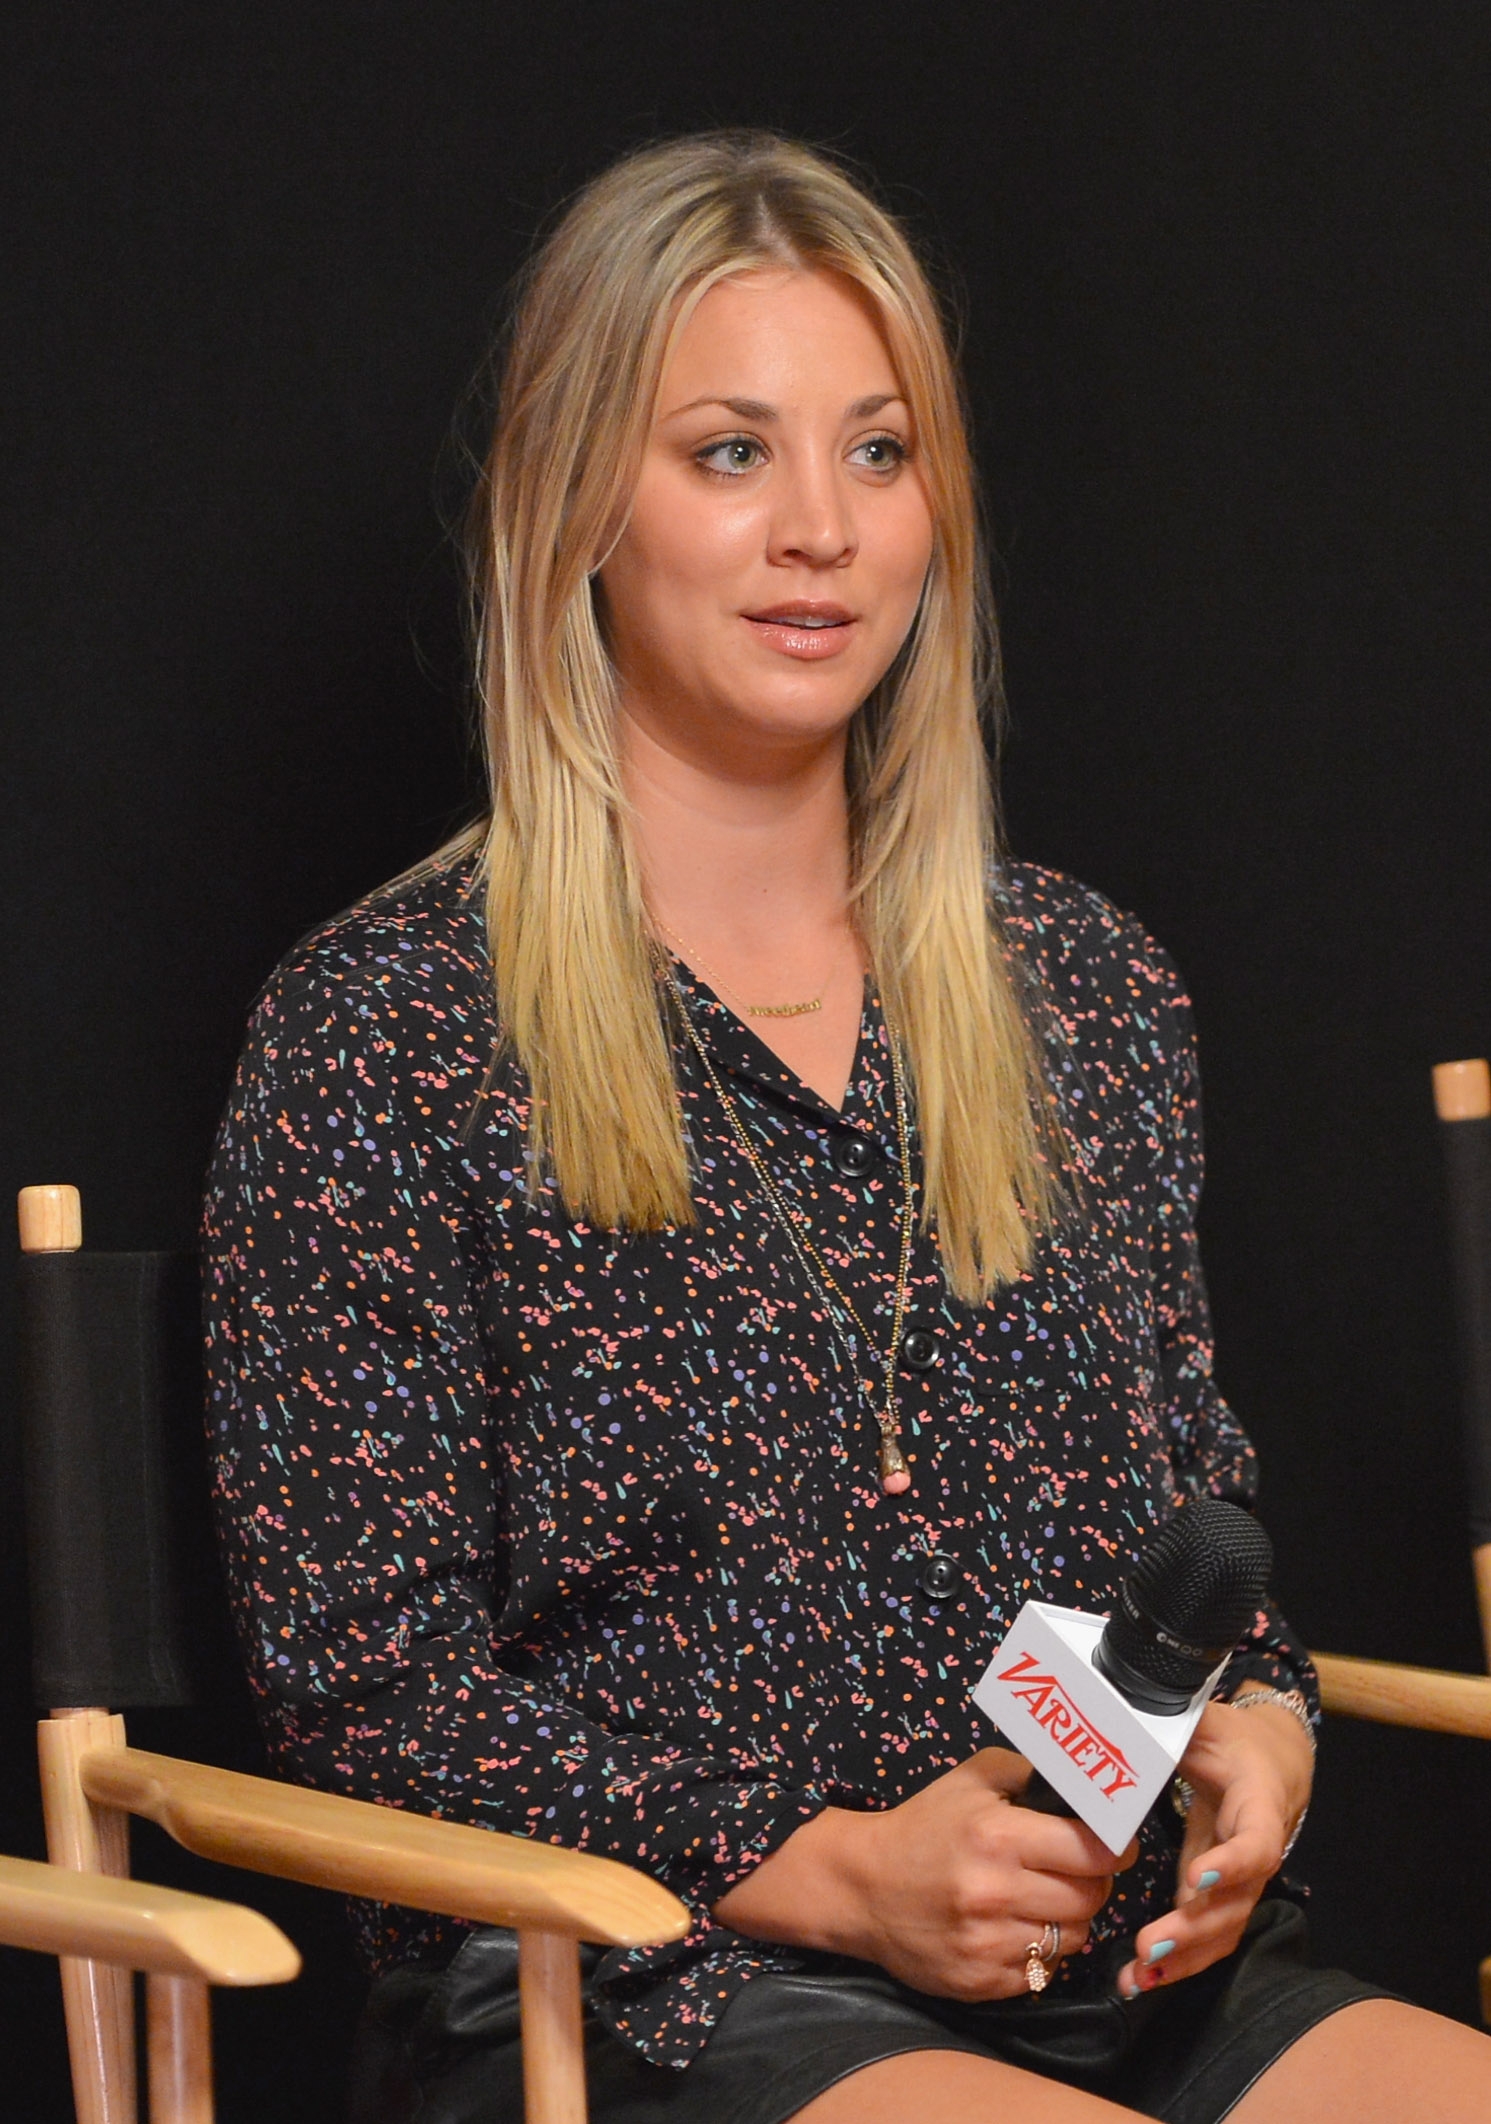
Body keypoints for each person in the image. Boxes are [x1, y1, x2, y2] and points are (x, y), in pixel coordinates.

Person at [202, 131, 1491, 2123]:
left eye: (875, 454)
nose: (819, 527)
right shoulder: (384, 1028)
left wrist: (1260, 1729)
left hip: (1112, 1969)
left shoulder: (1084, 987)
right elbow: (367, 1687)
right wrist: (831, 1877)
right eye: (730, 452)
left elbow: (1196, 1530)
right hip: (640, 1982)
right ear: (579, 502)